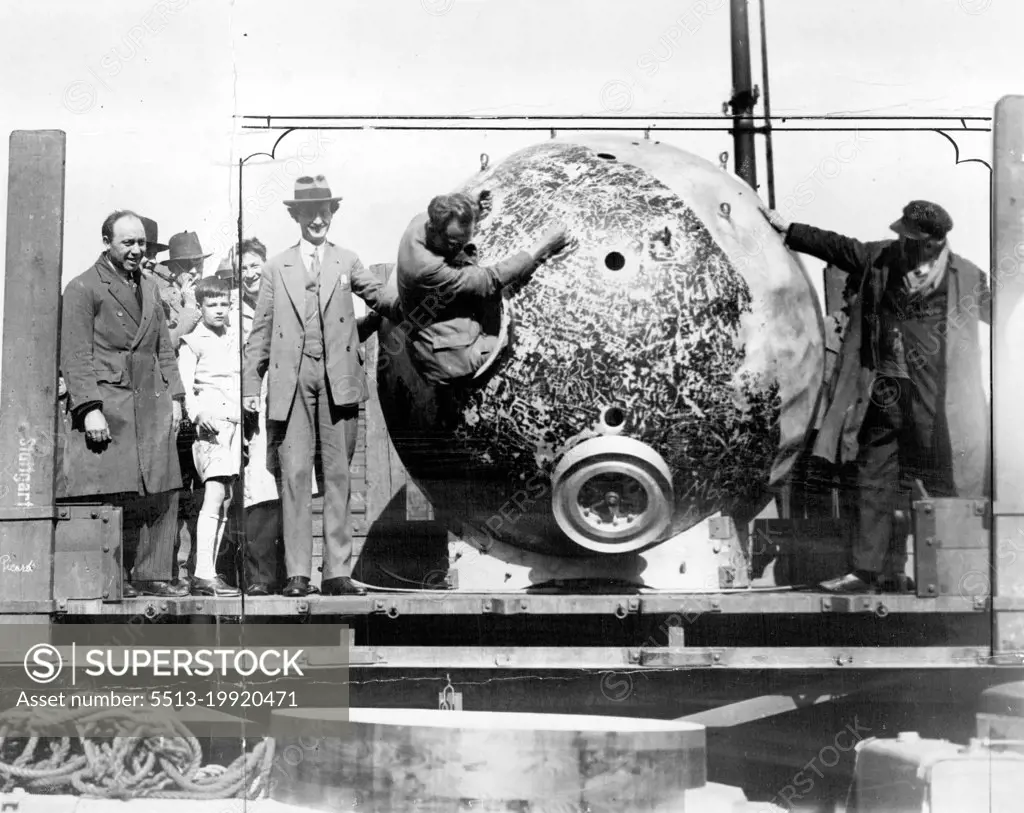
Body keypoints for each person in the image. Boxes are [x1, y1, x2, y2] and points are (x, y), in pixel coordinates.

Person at [761, 200, 990, 594]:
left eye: (910, 238)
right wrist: (790, 228)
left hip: (937, 400)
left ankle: (958, 571)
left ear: (933, 244)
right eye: (900, 234)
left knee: (946, 480)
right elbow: (838, 247)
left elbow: (1004, 311)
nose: (901, 242)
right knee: (871, 476)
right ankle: (864, 572)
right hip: (886, 390)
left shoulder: (965, 276)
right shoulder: (881, 258)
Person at [242, 174, 403, 598]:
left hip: (340, 384)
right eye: (309, 212)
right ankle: (298, 573)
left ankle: (336, 573)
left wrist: (419, 295)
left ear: (332, 213)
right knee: (293, 476)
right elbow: (260, 332)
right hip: (290, 385)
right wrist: (248, 385)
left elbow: (381, 298)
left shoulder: (347, 261)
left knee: (337, 478)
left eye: (324, 211)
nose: (318, 219)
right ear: (296, 216)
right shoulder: (277, 266)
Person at [56, 210, 188, 598]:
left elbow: (164, 347)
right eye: (126, 242)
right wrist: (88, 407)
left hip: (152, 403)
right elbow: (75, 354)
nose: (135, 250)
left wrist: (177, 397)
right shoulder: (83, 288)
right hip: (108, 405)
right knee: (114, 492)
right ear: (107, 242)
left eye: (140, 243)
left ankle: (152, 575)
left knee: (162, 490)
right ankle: (112, 580)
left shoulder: (149, 286)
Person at [395, 191, 572, 386]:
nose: (460, 247)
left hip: (433, 306)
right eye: (455, 243)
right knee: (513, 348)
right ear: (435, 230)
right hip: (443, 352)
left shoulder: (422, 221)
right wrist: (544, 245)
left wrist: (473, 210)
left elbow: (454, 220)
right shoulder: (427, 267)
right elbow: (491, 280)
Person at [177, 276, 243, 597]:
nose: (218, 310)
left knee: (226, 499)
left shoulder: (233, 338)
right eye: (211, 304)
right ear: (200, 307)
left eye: (223, 304)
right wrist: (198, 412)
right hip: (210, 427)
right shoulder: (193, 342)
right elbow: (186, 387)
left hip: (234, 424)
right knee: (214, 493)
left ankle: (210, 571)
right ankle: (202, 573)